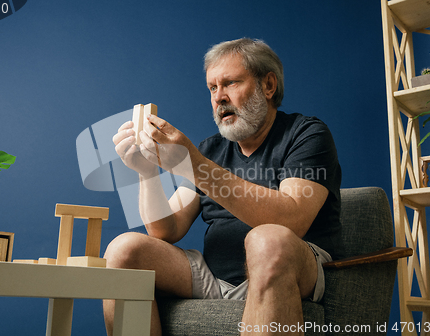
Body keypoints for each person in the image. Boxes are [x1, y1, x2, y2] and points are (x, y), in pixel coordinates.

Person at [104, 38, 343, 335]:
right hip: (214, 277)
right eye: (213, 88)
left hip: (291, 265)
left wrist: (195, 165)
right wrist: (147, 171)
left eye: (230, 83)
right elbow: (166, 230)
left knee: (268, 241)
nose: (219, 98)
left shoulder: (306, 134)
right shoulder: (211, 149)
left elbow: (292, 220)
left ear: (268, 86)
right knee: (123, 249)